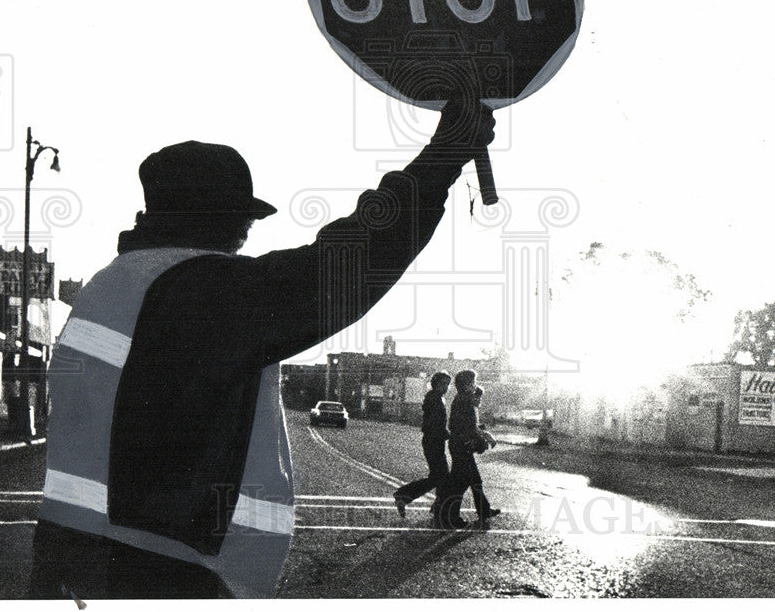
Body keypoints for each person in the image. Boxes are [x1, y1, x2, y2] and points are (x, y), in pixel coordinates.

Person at [31, 100, 495, 599]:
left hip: (73, 552)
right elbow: (353, 260)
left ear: (151, 213)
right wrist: (444, 155)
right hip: (170, 563)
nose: (247, 235)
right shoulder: (203, 289)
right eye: (244, 220)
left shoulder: (108, 287)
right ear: (229, 222)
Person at [439, 371, 501, 529]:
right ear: (466, 385)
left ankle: (484, 510)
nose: (475, 385)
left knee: (474, 480)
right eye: (473, 382)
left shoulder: (464, 399)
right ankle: (450, 516)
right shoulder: (464, 401)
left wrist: (481, 434)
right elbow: (465, 426)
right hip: (462, 445)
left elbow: (466, 424)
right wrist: (485, 436)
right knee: (462, 482)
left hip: (459, 444)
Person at [392, 371, 451, 519]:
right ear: (436, 384)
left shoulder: (438, 398)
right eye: (443, 383)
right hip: (433, 440)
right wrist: (448, 433)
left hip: (435, 440)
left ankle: (434, 505)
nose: (446, 387)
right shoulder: (433, 399)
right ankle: (404, 495)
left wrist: (445, 433)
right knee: (440, 476)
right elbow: (434, 424)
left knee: (439, 476)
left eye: (448, 384)